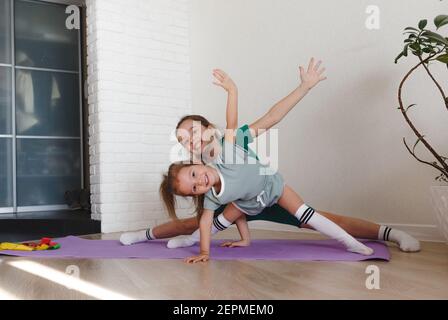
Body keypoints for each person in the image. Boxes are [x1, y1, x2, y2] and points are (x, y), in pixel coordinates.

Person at [120, 59, 420, 254]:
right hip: (238, 208)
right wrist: (242, 237)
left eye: (194, 132)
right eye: (185, 141)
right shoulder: (203, 172)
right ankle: (143, 235)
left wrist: (304, 86)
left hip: (268, 197)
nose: (191, 141)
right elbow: (230, 204)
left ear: (209, 127)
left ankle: (391, 234)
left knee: (322, 219)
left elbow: (273, 116)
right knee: (194, 224)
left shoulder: (233, 141)